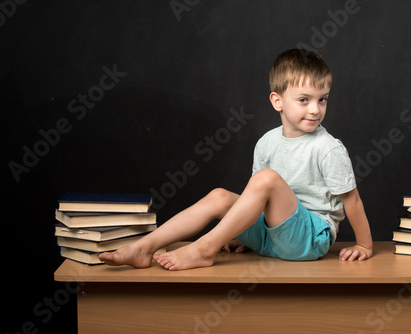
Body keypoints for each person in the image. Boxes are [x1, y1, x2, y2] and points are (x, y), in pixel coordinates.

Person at [99, 48, 373, 270]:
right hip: (269, 236)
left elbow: (352, 200)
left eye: (322, 99)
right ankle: (143, 248)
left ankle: (205, 248)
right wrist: (239, 234)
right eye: (304, 99)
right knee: (220, 196)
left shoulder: (327, 148)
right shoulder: (267, 142)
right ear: (277, 101)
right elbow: (253, 201)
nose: (315, 109)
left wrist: (364, 245)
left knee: (265, 179)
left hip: (309, 239)